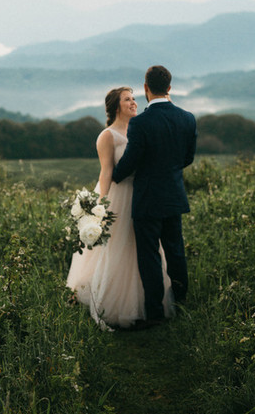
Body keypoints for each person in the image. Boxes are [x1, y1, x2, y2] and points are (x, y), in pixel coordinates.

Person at [66, 86, 175, 329]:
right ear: (116, 106)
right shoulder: (107, 136)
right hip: (118, 196)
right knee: (118, 248)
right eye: (128, 99)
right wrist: (99, 206)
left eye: (134, 98)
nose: (134, 103)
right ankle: (115, 305)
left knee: (144, 250)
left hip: (143, 196)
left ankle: (147, 305)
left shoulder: (139, 129)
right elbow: (106, 172)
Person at [113, 65, 197, 327]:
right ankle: (181, 304)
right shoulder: (188, 118)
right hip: (173, 195)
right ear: (169, 88)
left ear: (146, 88)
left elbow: (131, 161)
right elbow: (188, 158)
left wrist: (114, 175)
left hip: (148, 198)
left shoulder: (140, 123)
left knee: (149, 256)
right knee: (175, 251)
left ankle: (155, 313)